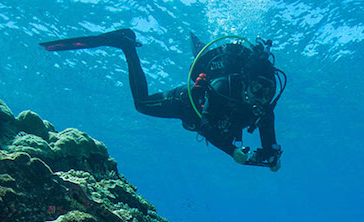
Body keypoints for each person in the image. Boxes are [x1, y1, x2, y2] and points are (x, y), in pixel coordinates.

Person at [40, 28, 284, 171]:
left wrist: (271, 159)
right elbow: (206, 125)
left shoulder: (264, 111)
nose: (262, 96)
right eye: (258, 87)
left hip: (209, 120)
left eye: (268, 91)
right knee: (141, 104)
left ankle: (196, 48)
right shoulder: (224, 86)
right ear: (247, 81)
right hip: (185, 103)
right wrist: (232, 151)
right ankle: (126, 45)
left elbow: (269, 146)